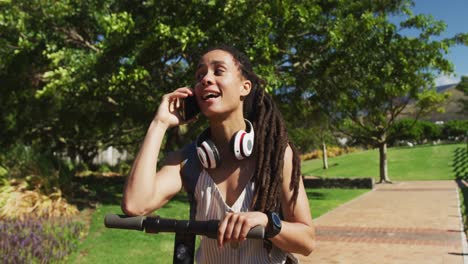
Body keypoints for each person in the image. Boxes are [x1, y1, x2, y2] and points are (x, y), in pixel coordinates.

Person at [122, 45, 315, 263]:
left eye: (218, 71)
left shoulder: (276, 155)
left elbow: (307, 242)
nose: (205, 79)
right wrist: (160, 123)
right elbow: (135, 205)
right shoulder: (187, 160)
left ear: (245, 87)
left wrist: (265, 221)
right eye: (200, 74)